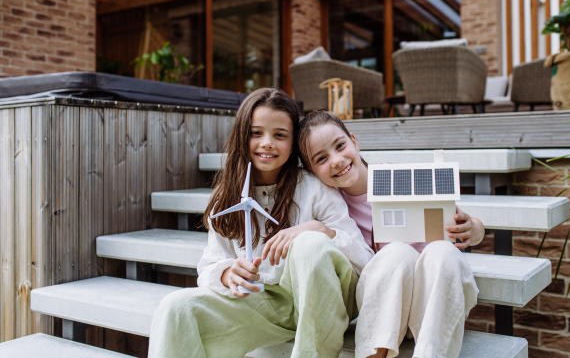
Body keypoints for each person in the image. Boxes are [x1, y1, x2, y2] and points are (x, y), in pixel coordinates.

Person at [148, 89, 374, 358]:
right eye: (256, 133)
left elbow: (363, 261)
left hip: (327, 301)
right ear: (242, 136)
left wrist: (320, 230)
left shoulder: (315, 189)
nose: (267, 143)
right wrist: (227, 273)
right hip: (265, 303)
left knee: (309, 243)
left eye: (279, 135)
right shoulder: (226, 197)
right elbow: (208, 267)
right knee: (176, 307)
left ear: (293, 145)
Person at [297, 110, 485, 358]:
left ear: (354, 141)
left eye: (340, 146)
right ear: (312, 171)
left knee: (443, 250)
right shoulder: (330, 206)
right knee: (396, 251)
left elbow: (468, 224)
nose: (336, 160)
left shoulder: (396, 177)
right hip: (387, 304)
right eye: (321, 159)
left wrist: (472, 228)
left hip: (434, 298)